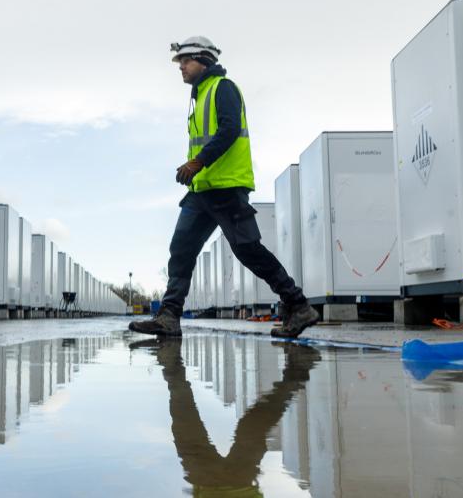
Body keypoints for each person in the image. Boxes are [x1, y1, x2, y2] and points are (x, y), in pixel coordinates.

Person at [129, 36, 320, 338]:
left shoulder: (223, 88)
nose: (181, 67)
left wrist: (197, 162)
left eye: (185, 61)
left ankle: (297, 305)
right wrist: (197, 171)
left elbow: (229, 129)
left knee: (248, 250)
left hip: (227, 188)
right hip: (201, 191)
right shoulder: (199, 96)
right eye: (179, 62)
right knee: (181, 249)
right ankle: (169, 316)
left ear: (204, 61)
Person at [130, 336, 320, 497]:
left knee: (242, 430)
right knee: (190, 423)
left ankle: (295, 377)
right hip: (223, 485)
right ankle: (296, 375)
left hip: (227, 485)